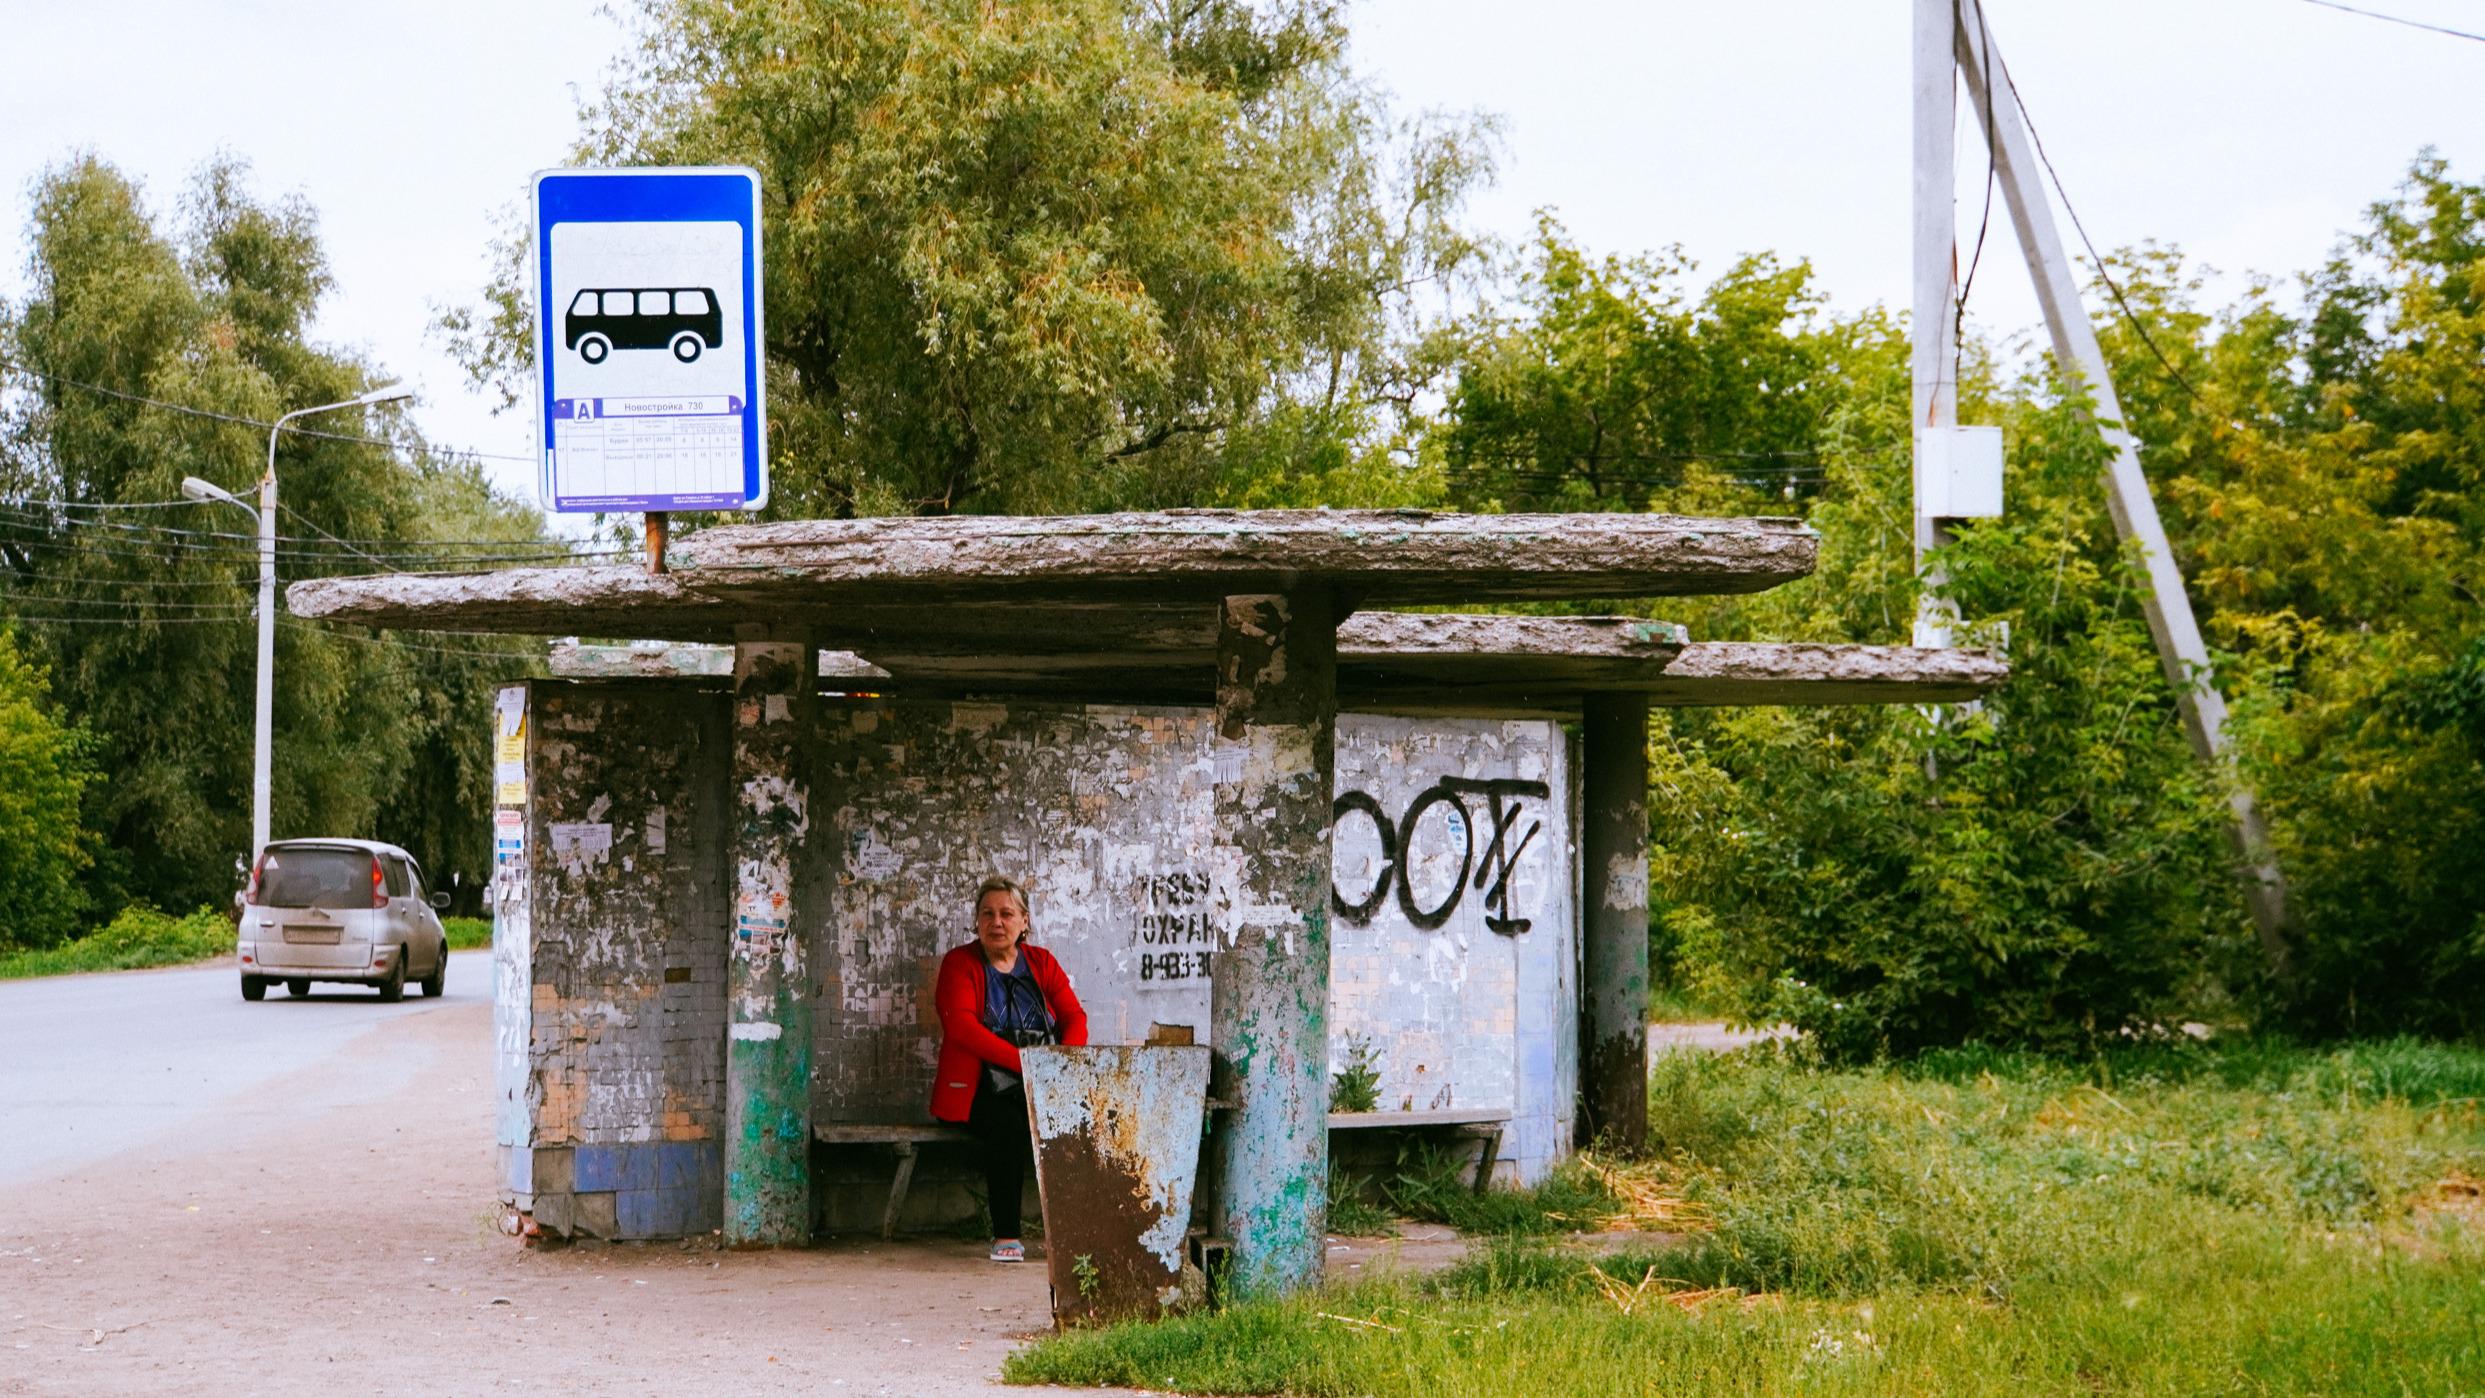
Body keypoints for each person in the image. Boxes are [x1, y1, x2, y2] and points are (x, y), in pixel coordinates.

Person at [930, 875, 1088, 1262]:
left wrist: (1059, 1064)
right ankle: (1007, 1236)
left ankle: (1076, 1233)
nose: (996, 922)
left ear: (1024, 922)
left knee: (1078, 1118)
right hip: (976, 1089)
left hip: (1037, 1082)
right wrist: (1027, 1064)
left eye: (1006, 914)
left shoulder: (1041, 962)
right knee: (1009, 1124)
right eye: (987, 914)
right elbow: (962, 1029)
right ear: (977, 922)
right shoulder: (960, 963)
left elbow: (1074, 1017)